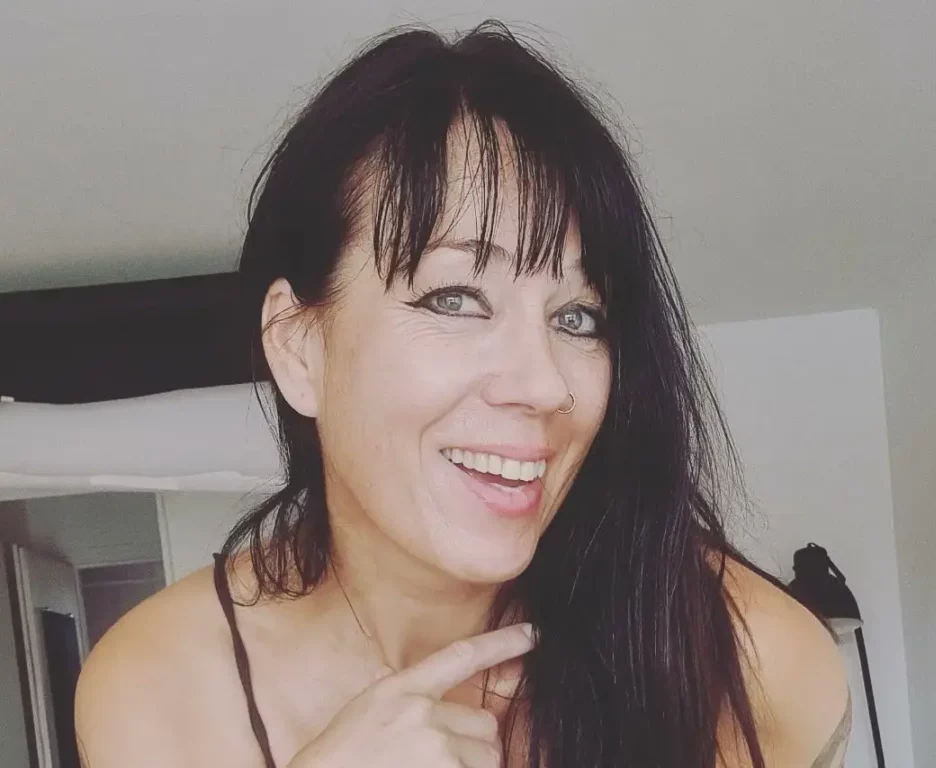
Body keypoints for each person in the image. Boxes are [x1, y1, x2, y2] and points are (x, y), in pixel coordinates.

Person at [75, 21, 851, 768]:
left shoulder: (758, 665)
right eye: (454, 300)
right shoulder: (161, 689)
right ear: (298, 345)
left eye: (578, 317)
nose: (544, 385)